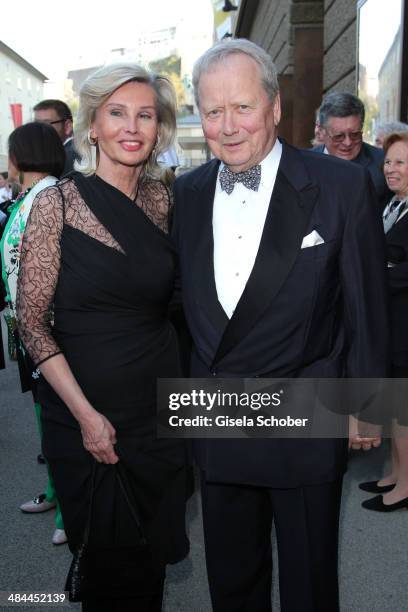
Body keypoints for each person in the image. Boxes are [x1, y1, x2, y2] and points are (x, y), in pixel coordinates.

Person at [173, 39, 389, 612]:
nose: (228, 126)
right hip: (218, 409)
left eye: (242, 107)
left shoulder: (341, 186)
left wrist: (367, 403)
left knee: (309, 578)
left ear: (273, 107)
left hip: (306, 406)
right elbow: (177, 307)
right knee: (231, 572)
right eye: (213, 111)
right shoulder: (187, 194)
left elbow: (366, 304)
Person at [17, 63, 189, 612]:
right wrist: (87, 416)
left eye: (144, 115)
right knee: (110, 566)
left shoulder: (164, 201)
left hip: (156, 409)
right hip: (86, 415)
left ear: (159, 127)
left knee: (154, 554)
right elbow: (31, 323)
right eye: (117, 113)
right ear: (92, 125)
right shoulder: (57, 203)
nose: (131, 126)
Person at [0, 122, 67, 545]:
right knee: (46, 416)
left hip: (51, 331)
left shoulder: (50, 196)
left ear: (20, 156)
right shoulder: (31, 197)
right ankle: (56, 493)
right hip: (28, 329)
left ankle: (68, 511)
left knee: (59, 417)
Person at [360, 132, 408, 512]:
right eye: (388, 161)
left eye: (401, 163)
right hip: (390, 321)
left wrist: (373, 273)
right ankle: (395, 474)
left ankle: (405, 486)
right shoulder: (392, 203)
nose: (390, 168)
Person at [314, 92, 391, 210]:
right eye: (339, 136)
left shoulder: (383, 162)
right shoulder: (302, 164)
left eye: (355, 134)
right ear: (321, 131)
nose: (348, 143)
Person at [33, 99, 77, 174]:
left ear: (67, 126)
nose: (38, 129)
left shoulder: (70, 157)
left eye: (46, 124)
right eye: (36, 124)